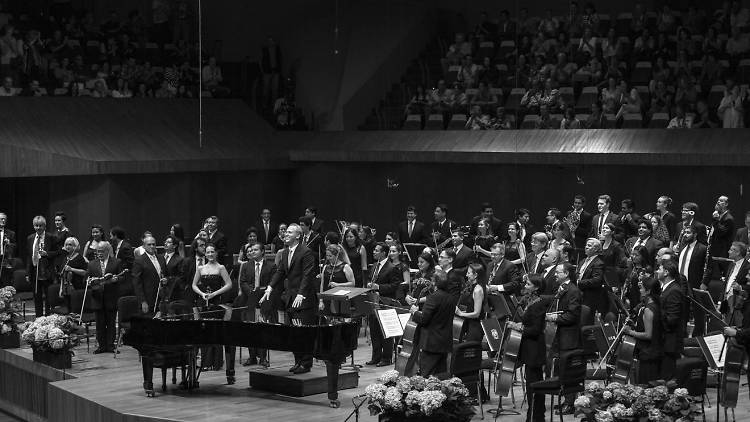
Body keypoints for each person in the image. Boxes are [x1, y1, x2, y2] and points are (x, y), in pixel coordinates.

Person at [262, 224, 318, 374]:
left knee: (304, 332)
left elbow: (307, 275)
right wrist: (270, 287)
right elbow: (280, 272)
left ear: (298, 236)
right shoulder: (286, 252)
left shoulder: (306, 252)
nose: (286, 234)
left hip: (303, 299)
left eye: (289, 232)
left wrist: (301, 293)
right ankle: (297, 361)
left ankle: (306, 363)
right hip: (290, 298)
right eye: (285, 232)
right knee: (294, 333)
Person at [191, 244, 234, 381]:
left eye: (212, 252)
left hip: (216, 303)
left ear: (216, 253)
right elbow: (193, 285)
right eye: (208, 252)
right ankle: (205, 362)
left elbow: (229, 284)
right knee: (203, 331)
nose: (210, 254)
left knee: (215, 331)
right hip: (203, 303)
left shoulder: (221, 268)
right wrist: (202, 294)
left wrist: (215, 293)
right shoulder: (200, 268)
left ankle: (216, 362)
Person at [508, 273, 547, 422]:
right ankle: (534, 415)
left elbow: (535, 330)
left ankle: (536, 417)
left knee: (534, 384)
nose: (525, 286)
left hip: (535, 349)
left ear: (536, 287)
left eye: (528, 284)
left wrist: (518, 327)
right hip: (529, 348)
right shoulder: (531, 301)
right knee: (532, 383)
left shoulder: (539, 304)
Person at [547, 262, 582, 415]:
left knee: (568, 370)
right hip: (559, 335)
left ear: (566, 274)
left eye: (558, 272)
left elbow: (572, 315)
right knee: (561, 370)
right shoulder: (561, 288)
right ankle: (565, 400)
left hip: (569, 336)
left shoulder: (573, 291)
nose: (555, 274)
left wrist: (555, 318)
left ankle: (570, 403)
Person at [409, 270, 460, 376]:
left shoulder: (433, 298)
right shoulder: (451, 298)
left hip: (431, 343)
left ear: (434, 283)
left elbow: (423, 319)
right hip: (444, 342)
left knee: (427, 375)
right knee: (440, 376)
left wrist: (415, 312)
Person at [237, 242, 277, 367]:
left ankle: (263, 357)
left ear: (262, 252)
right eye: (251, 250)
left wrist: (262, 292)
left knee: (263, 328)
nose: (252, 252)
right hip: (249, 300)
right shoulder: (246, 266)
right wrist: (251, 292)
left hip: (265, 300)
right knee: (250, 329)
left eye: (255, 250)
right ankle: (252, 356)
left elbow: (272, 283)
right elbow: (242, 282)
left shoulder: (271, 266)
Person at [365, 242, 402, 366]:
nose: (374, 252)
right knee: (374, 330)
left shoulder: (392, 268)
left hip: (385, 303)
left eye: (376, 250)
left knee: (384, 331)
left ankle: (386, 358)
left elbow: (395, 286)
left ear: (383, 253)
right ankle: (376, 357)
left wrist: (378, 286)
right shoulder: (374, 265)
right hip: (373, 302)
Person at [623, 276, 663, 384]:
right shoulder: (657, 305)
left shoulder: (648, 310)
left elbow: (648, 334)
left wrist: (630, 332)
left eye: (642, 288)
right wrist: (634, 324)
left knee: (645, 386)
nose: (640, 291)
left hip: (648, 353)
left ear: (648, 291)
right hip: (656, 351)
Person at [86, 241, 123, 353]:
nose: (99, 253)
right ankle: (101, 346)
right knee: (100, 323)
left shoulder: (116, 262)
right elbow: (87, 279)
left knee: (111, 323)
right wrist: (89, 282)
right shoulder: (92, 264)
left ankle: (110, 346)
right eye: (98, 251)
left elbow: (123, 278)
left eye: (102, 251)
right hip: (97, 297)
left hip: (111, 297)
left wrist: (116, 279)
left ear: (107, 251)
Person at [657, 260, 686, 380]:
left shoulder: (674, 291)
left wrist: (656, 311)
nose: (657, 271)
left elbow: (672, 319)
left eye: (659, 269)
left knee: (667, 378)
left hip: (670, 341)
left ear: (666, 272)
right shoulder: (666, 288)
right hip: (665, 340)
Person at [677, 224, 708, 336]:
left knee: (698, 313)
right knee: (682, 312)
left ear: (695, 234)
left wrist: (704, 283)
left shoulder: (703, 248)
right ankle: (682, 335)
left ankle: (698, 338)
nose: (685, 235)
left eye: (688, 232)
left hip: (695, 284)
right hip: (681, 284)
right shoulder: (683, 247)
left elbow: (709, 267)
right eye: (685, 232)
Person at [27, 216, 59, 317]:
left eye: (40, 226)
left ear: (45, 226)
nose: (38, 228)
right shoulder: (30, 238)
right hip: (35, 271)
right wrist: (28, 273)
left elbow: (58, 252)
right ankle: (39, 318)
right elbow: (28, 256)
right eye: (36, 226)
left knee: (49, 297)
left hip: (47, 271)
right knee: (37, 297)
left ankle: (48, 318)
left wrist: (47, 253)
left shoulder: (51, 237)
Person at [132, 235, 167, 315]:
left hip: (161, 298)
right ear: (144, 246)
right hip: (148, 299)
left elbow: (166, 275)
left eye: (153, 244)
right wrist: (143, 301)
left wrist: (166, 279)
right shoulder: (139, 261)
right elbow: (137, 283)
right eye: (149, 244)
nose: (152, 246)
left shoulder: (161, 258)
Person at [455, 262, 486, 343]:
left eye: (468, 273)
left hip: (475, 327)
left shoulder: (478, 290)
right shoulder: (473, 287)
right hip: (470, 324)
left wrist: (460, 313)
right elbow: (471, 309)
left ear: (475, 275)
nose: (466, 275)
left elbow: (476, 313)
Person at [577, 238, 605, 323]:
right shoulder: (582, 261)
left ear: (596, 249)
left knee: (585, 322)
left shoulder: (599, 263)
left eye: (589, 245)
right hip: (579, 295)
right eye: (586, 245)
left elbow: (597, 280)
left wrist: (579, 283)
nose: (586, 247)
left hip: (589, 297)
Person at [55, 237, 87, 312]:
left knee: (75, 309)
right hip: (66, 288)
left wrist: (72, 269)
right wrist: (61, 289)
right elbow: (63, 276)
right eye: (66, 245)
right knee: (68, 309)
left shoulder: (80, 258)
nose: (67, 247)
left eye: (70, 245)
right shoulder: (65, 258)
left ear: (75, 246)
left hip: (77, 287)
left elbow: (85, 272)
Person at [0, 212, 16, 286]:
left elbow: (15, 248)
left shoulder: (11, 233)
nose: (3, 221)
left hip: (6, 261)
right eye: (1, 219)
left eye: (4, 219)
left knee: (6, 283)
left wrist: (9, 244)